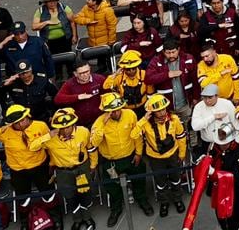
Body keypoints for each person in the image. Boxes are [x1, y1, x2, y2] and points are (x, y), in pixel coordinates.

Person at [90, 92, 152, 224]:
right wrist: (102, 125)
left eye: (117, 110)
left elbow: (137, 135)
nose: (115, 113)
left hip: (131, 157)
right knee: (112, 186)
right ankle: (116, 209)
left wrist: (139, 153)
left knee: (139, 178)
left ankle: (142, 200)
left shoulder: (130, 115)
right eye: (111, 111)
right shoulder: (98, 123)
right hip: (111, 162)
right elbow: (94, 143)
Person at [134, 94, 187, 219]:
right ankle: (164, 203)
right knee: (160, 182)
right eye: (158, 111)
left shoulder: (174, 119)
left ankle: (177, 199)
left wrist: (182, 153)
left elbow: (181, 137)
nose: (162, 113)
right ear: (152, 112)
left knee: (176, 178)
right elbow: (134, 135)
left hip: (173, 155)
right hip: (155, 158)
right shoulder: (146, 124)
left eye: (164, 109)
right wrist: (143, 120)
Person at [46, 108, 95, 230]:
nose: (65, 130)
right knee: (70, 197)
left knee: (85, 194)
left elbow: (91, 149)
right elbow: (32, 146)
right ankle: (77, 219)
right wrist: (48, 135)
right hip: (63, 172)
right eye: (62, 127)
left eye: (68, 126)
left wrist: (93, 165)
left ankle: (87, 218)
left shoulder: (83, 131)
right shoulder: (50, 139)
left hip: (82, 168)